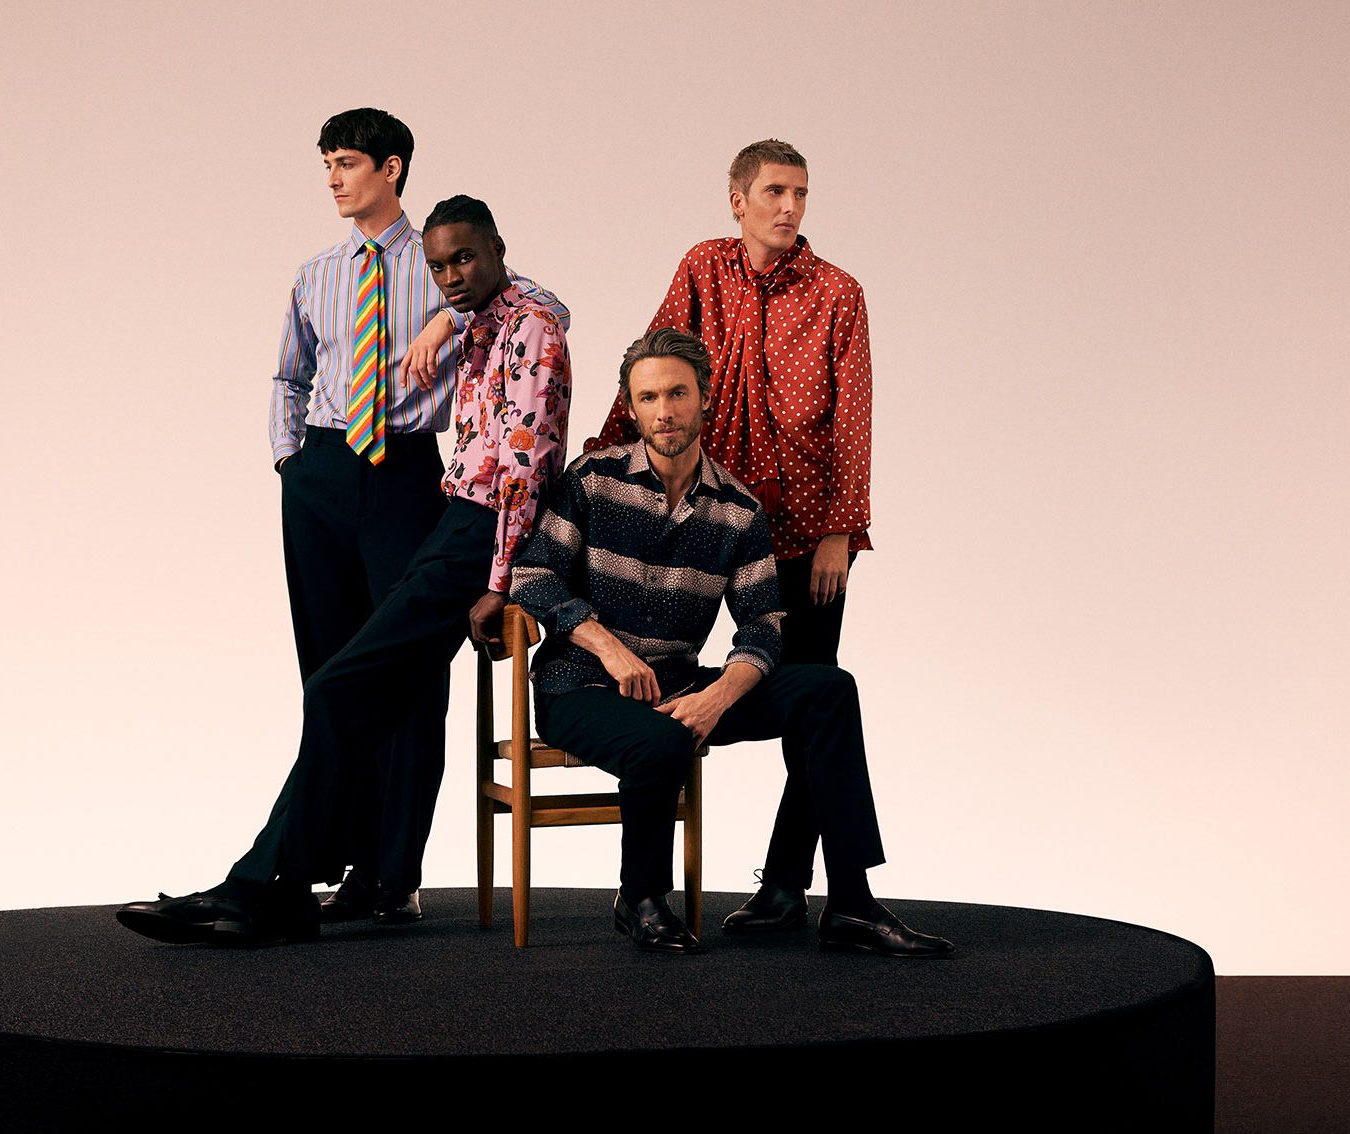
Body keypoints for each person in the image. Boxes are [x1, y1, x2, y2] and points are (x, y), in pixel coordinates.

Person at [118, 195, 571, 945]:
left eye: (465, 259)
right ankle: (274, 889)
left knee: (342, 689)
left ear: (499, 247)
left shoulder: (531, 326)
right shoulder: (481, 319)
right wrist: (444, 321)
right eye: (439, 268)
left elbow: (526, 467)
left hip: (484, 531)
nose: (451, 278)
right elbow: (295, 374)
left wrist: (498, 584)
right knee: (350, 691)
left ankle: (266, 891)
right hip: (451, 513)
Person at [510, 328, 947, 958]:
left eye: (677, 393)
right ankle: (640, 899)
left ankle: (851, 902)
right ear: (630, 407)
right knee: (660, 739)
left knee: (829, 689)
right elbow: (533, 576)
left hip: (678, 684)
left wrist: (716, 699)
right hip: (580, 685)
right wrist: (609, 648)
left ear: (706, 397)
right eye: (648, 398)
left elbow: (765, 626)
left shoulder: (738, 508)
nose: (664, 411)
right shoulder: (593, 480)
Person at [239, 108, 569, 924]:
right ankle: (330, 860)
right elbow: (288, 376)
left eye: (347, 162)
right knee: (331, 668)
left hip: (407, 473)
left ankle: (392, 875)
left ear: (391, 169)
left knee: (408, 679)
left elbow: (545, 307)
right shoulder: (315, 272)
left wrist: (444, 315)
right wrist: (289, 460)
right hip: (321, 472)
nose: (333, 178)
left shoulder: (445, 258)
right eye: (326, 163)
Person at [587, 139, 871, 932]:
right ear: (738, 200)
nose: (790, 207)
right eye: (775, 191)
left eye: (801, 193)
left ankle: (786, 886)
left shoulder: (839, 292)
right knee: (665, 659)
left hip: (805, 531)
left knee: (813, 701)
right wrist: (602, 466)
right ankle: (646, 885)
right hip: (707, 520)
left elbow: (853, 416)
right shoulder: (702, 268)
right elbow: (654, 365)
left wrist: (840, 532)